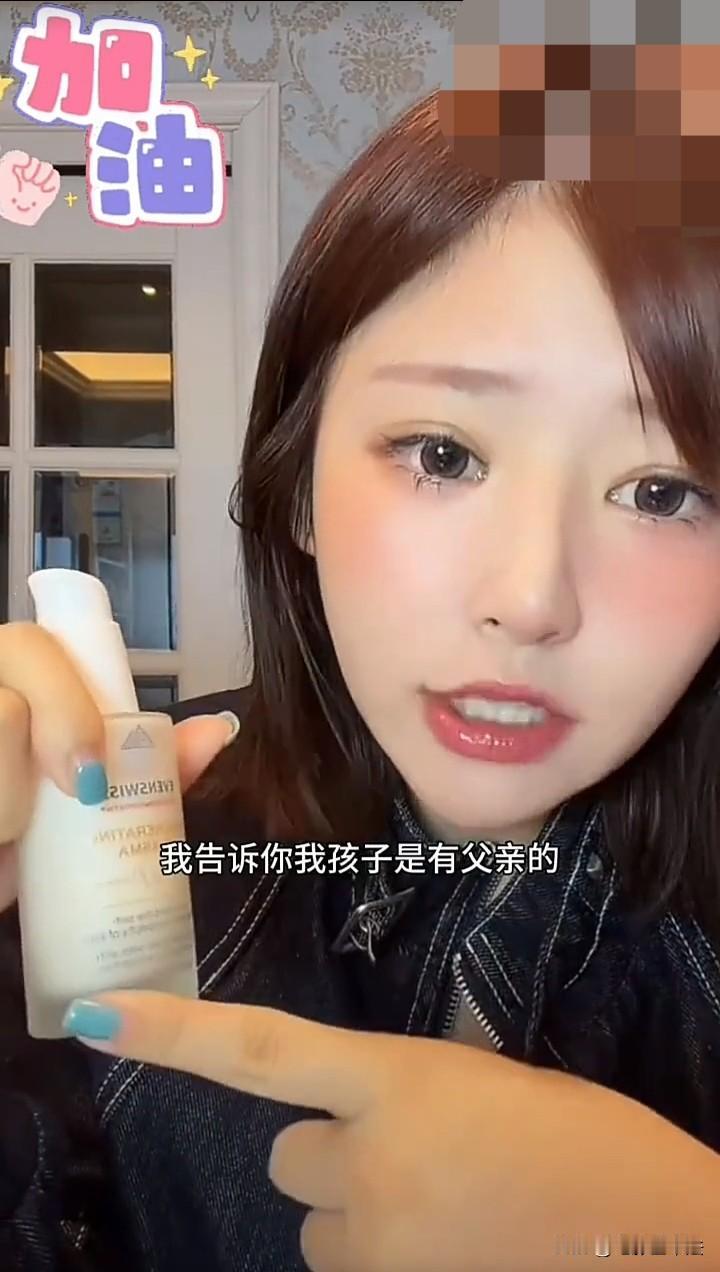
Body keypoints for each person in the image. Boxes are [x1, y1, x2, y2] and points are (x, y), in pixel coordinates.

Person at [2, 91, 720, 1272]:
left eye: (662, 491)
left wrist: (683, 1236)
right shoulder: (112, 857)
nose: (530, 599)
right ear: (295, 486)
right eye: (445, 454)